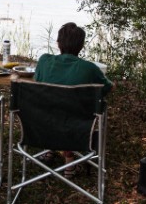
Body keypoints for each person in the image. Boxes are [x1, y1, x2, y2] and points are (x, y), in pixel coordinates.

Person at [34, 22, 115, 178]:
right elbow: (109, 88)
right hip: (77, 130)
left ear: (58, 43)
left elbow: (38, 82)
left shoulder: (44, 61)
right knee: (69, 112)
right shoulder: (89, 68)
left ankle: (51, 148)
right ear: (81, 46)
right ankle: (69, 162)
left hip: (41, 126)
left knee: (53, 106)